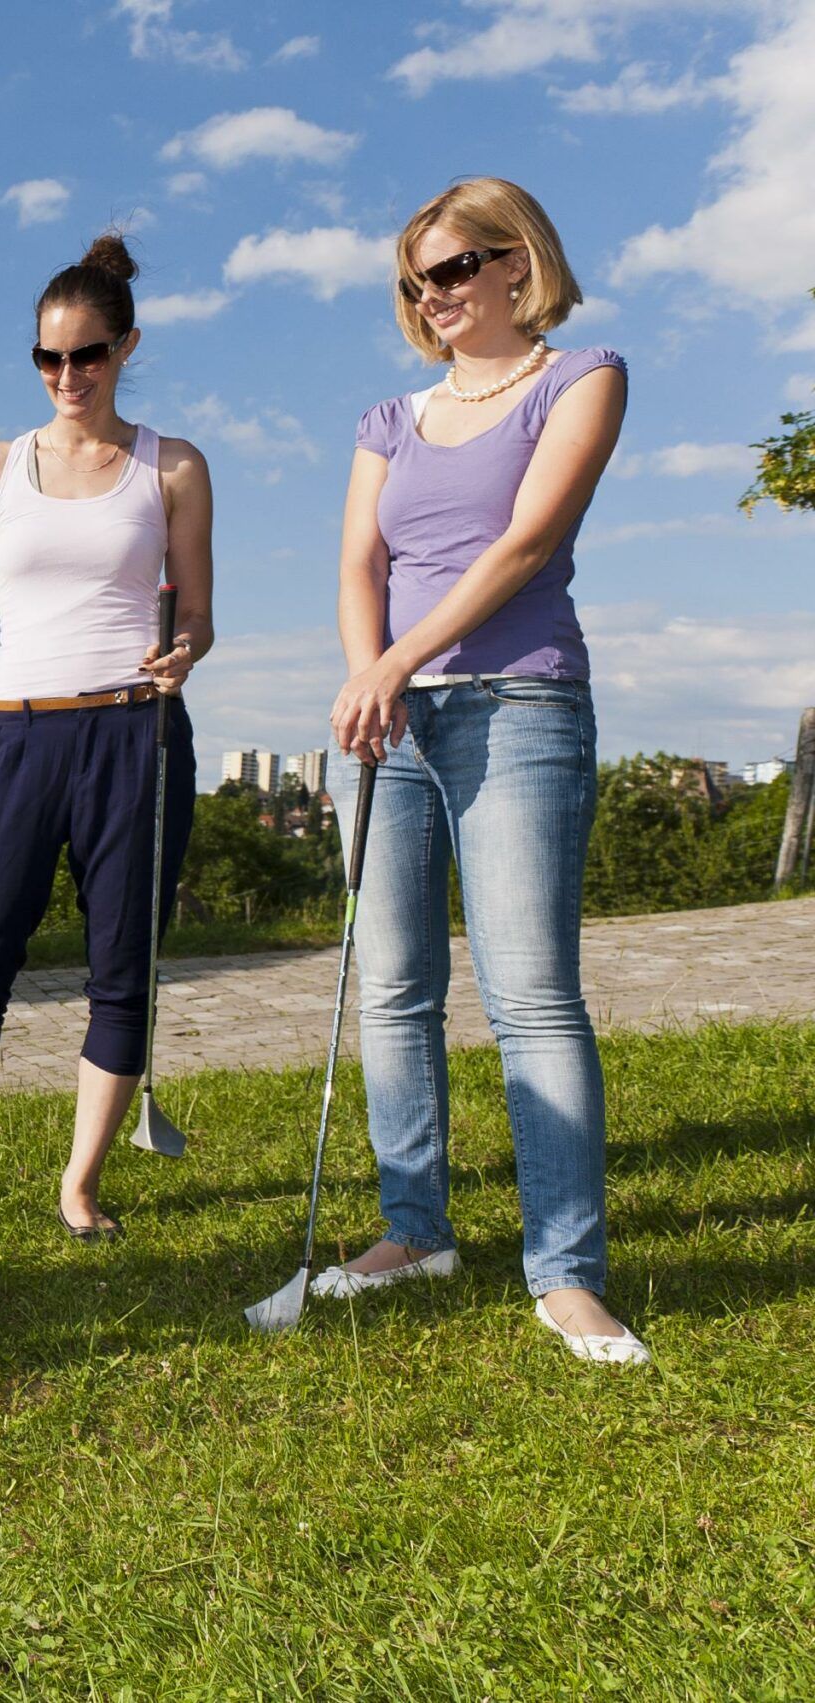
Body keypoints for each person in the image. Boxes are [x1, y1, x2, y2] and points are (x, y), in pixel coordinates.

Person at [322, 178, 646, 1365]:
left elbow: (525, 542)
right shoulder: (386, 420)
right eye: (417, 280)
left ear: (517, 262)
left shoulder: (581, 376)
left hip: (518, 704)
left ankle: (565, 1271)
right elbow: (359, 558)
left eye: (455, 268)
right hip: (391, 719)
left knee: (528, 994)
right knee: (394, 986)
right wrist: (371, 675)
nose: (435, 295)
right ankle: (413, 1231)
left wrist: (398, 660)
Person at [0, 232, 214, 1249]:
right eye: (47, 358)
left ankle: (80, 1185)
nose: (67, 375)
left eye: (88, 355)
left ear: (126, 347)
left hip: (133, 736)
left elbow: (197, 612)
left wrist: (182, 648)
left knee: (121, 969)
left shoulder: (172, 466)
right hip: (17, 739)